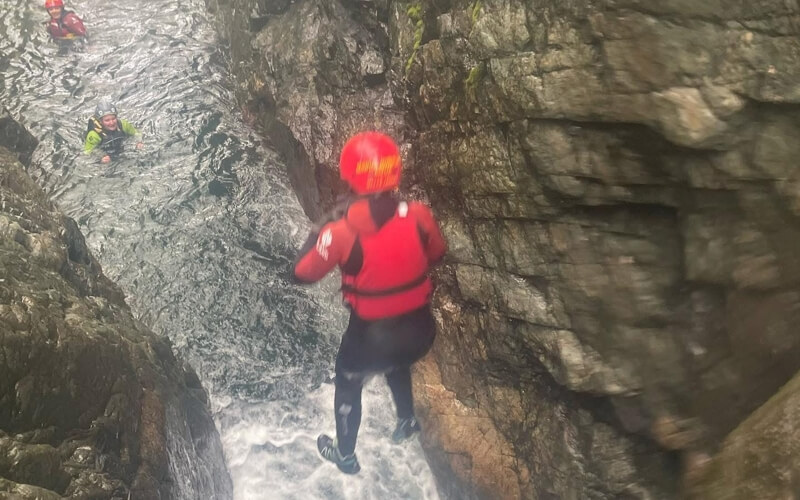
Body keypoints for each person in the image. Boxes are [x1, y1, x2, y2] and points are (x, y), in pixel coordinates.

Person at [293, 132, 447, 474]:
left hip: (371, 340)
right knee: (396, 361)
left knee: (349, 381)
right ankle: (406, 420)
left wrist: (318, 232)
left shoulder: (342, 230)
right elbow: (437, 252)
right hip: (421, 331)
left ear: (350, 176)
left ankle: (345, 456)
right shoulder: (419, 214)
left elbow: (303, 273)